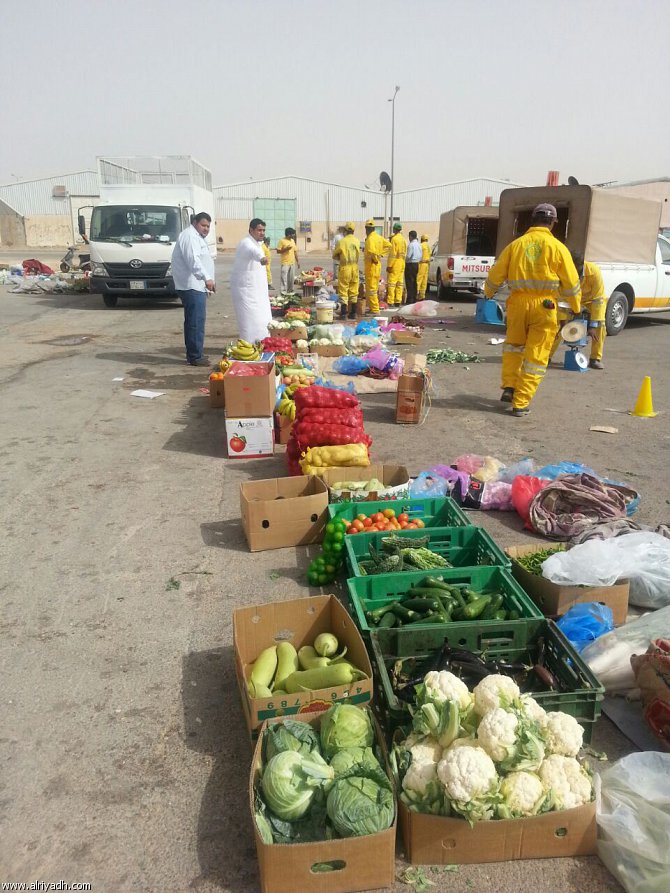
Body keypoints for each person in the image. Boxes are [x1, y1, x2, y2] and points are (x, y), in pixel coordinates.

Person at [483, 203, 581, 416]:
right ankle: (521, 402)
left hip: (517, 304)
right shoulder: (558, 248)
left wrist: (488, 293)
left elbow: (496, 274)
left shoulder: (515, 245)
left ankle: (510, 387)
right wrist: (576, 307)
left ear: (532, 220)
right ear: (553, 223)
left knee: (513, 347)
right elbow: (572, 283)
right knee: (536, 355)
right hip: (544, 307)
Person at [171, 211, 216, 366]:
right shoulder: (189, 236)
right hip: (191, 285)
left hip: (197, 285)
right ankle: (195, 356)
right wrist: (206, 278)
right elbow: (193, 260)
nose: (206, 229)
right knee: (195, 321)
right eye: (203, 225)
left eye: (208, 226)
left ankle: (196, 353)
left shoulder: (197, 237)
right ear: (195, 223)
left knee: (196, 320)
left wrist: (208, 281)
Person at [550, 252, 607, 369]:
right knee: (556, 326)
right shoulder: (563, 273)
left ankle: (595, 358)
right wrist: (563, 321)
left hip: (590, 302)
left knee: (600, 326)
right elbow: (560, 298)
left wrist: (592, 326)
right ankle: (547, 356)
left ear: (581, 267)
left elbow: (598, 300)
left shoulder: (594, 272)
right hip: (570, 301)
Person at [230, 218, 272, 343]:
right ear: (251, 230)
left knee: (262, 319)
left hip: (257, 291)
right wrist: (262, 258)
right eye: (259, 230)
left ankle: (262, 343)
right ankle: (248, 346)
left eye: (263, 230)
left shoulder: (257, 243)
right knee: (249, 321)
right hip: (246, 291)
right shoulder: (246, 243)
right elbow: (253, 252)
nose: (262, 233)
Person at [332, 221, 360, 319]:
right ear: (353, 231)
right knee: (354, 289)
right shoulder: (357, 241)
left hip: (345, 267)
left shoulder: (342, 242)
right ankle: (353, 313)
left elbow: (335, 255)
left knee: (343, 290)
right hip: (355, 268)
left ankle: (344, 313)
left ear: (345, 230)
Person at [363, 218, 391, 315]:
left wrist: (375, 258)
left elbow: (372, 252)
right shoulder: (379, 237)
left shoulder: (370, 239)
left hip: (371, 266)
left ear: (367, 229)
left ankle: (375, 310)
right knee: (373, 288)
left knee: (371, 290)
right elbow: (389, 246)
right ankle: (372, 308)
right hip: (377, 266)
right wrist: (381, 254)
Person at [386, 222, 407, 306]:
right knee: (400, 282)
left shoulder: (394, 239)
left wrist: (389, 265)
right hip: (402, 262)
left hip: (395, 262)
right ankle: (398, 300)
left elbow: (392, 254)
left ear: (394, 229)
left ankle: (390, 301)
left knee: (392, 282)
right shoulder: (403, 239)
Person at [276, 227, 299, 293]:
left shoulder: (292, 241)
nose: (294, 235)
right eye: (293, 234)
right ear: (289, 234)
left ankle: (290, 291)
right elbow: (278, 251)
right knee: (284, 279)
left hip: (292, 263)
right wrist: (286, 249)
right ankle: (283, 292)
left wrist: (298, 261)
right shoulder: (282, 241)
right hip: (285, 263)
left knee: (291, 279)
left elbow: (295, 252)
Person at [404, 230, 422, 304]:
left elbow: (408, 256)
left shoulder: (411, 245)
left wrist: (405, 260)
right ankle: (414, 298)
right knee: (414, 282)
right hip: (416, 264)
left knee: (409, 282)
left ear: (410, 236)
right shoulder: (419, 244)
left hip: (410, 264)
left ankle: (410, 299)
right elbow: (421, 255)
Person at [417, 233, 431, 299]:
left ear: (421, 239)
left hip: (421, 264)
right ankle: (422, 296)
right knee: (424, 280)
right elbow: (430, 254)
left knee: (419, 279)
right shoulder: (428, 246)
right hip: (427, 264)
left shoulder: (420, 245)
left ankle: (416, 294)